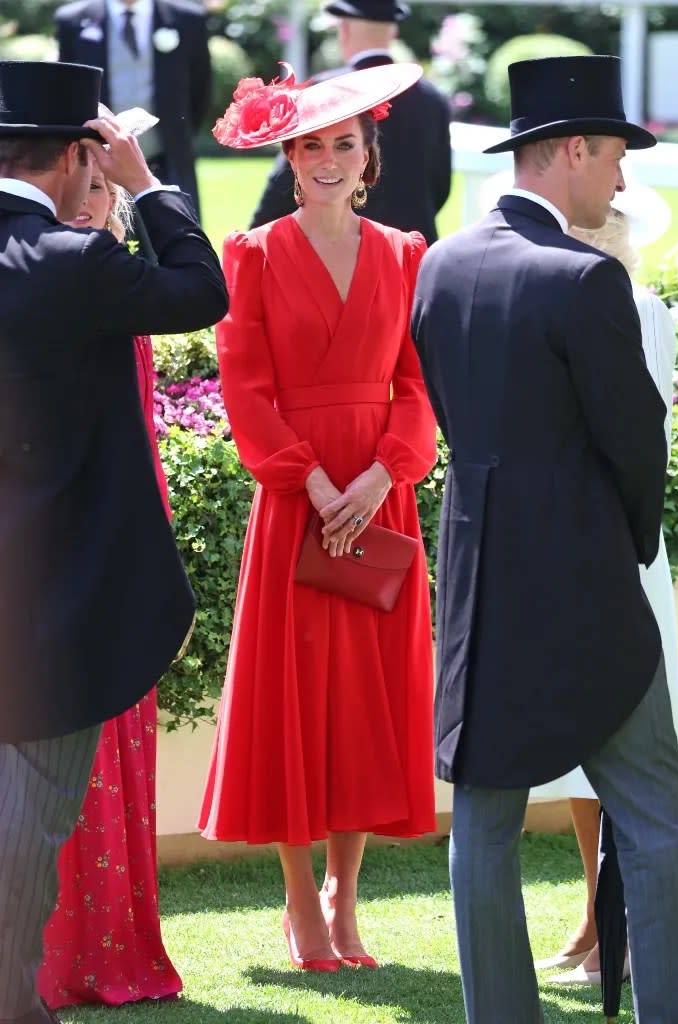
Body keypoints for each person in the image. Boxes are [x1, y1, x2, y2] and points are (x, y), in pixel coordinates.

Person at [411, 54, 678, 1023]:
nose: (619, 180)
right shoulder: (582, 280)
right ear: (569, 150)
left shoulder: (437, 266)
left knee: (480, 829)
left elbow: (451, 423)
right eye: (611, 156)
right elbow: (634, 451)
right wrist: (626, 549)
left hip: (477, 600)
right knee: (657, 818)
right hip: (583, 600)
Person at [0, 59, 226, 1024]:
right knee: (29, 825)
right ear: (74, 157)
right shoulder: (71, 261)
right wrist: (146, 184)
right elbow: (198, 290)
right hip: (52, 599)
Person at [199, 62, 437, 972]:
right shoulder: (251, 254)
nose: (329, 159)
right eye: (310, 146)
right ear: (288, 160)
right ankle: (302, 898)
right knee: (297, 695)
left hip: (382, 498)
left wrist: (383, 474)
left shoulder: (406, 252)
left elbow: (417, 383)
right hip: (298, 501)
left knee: (368, 698)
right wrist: (312, 483)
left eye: (344, 143)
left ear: (368, 155)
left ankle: (346, 893)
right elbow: (244, 390)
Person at [528, 200, 678, 987]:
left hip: (618, 543)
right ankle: (596, 919)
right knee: (587, 762)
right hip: (611, 544)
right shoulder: (616, 305)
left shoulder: (638, 310)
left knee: (628, 752)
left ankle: (616, 931)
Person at [37, 171, 182, 1009]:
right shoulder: (43, 278)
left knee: (115, 738)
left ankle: (109, 948)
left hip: (128, 531)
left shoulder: (122, 286)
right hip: (63, 539)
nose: (91, 199)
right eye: (78, 182)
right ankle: (45, 956)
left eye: (104, 185)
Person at [249, 0, 452, 246]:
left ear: (343, 29)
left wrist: (256, 233)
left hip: (343, 252)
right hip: (414, 252)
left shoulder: (324, 91)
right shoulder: (434, 100)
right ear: (394, 31)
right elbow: (440, 185)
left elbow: (291, 174)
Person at [54, 0, 211, 217]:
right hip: (99, 165)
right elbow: (67, 90)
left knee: (177, 236)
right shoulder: (73, 19)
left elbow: (200, 89)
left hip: (168, 158)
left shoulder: (188, 18)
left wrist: (180, 136)